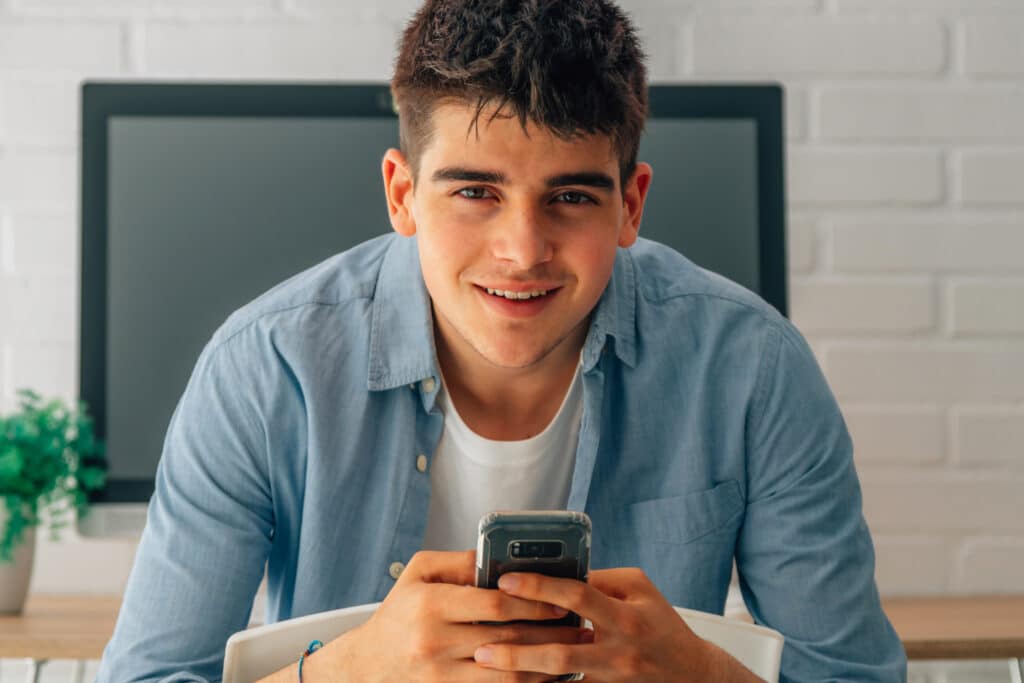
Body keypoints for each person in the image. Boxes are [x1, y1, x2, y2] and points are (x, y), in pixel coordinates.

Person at [97, 0, 907, 681]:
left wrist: (702, 673)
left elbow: (855, 673)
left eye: (571, 197)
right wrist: (350, 669)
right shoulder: (261, 368)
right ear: (403, 194)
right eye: (476, 191)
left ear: (631, 203)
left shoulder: (755, 369)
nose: (522, 250)